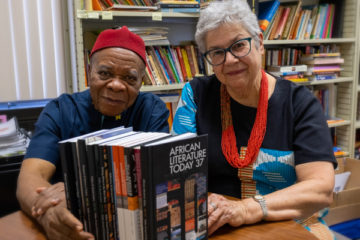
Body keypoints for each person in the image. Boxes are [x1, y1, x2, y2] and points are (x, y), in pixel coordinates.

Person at [171, 1, 336, 239]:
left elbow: (320, 189)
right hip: (218, 225)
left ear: (259, 42)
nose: (229, 60)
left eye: (238, 45)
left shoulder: (299, 103)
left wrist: (246, 209)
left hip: (293, 225)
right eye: (217, 52)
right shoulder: (195, 95)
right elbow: (177, 176)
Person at [16, 26, 169, 240]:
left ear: (142, 82)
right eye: (105, 73)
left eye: (129, 78)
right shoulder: (61, 110)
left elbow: (158, 179)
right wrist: (49, 211)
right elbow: (32, 175)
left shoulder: (152, 110)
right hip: (70, 220)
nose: (116, 85)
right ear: (90, 71)